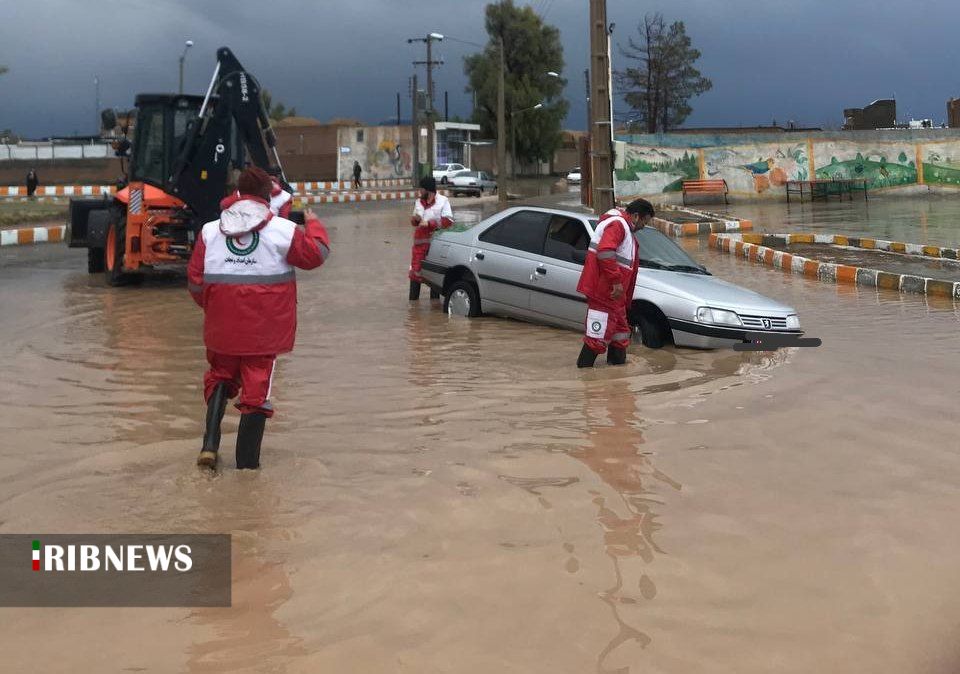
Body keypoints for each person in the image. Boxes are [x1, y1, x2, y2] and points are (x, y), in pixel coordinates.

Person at [188, 167, 331, 470]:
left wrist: (217, 311)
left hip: (221, 329)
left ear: (237, 193)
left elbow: (195, 283)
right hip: (262, 335)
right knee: (255, 393)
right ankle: (246, 471)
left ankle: (209, 446)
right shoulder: (282, 230)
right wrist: (314, 222)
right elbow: (316, 254)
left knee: (220, 378)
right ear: (269, 195)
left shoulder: (209, 232)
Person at [575, 198, 655, 368]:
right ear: (635, 216)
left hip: (614, 297)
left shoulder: (624, 229)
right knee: (596, 338)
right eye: (644, 221)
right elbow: (605, 252)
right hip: (605, 293)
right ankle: (585, 377)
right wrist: (616, 283)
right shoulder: (618, 225)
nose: (644, 226)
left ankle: (617, 380)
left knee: (620, 336)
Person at [408, 175, 453, 300]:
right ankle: (414, 307)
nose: (419, 192)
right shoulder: (418, 202)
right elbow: (414, 222)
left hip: (435, 245)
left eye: (421, 189)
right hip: (419, 246)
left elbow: (448, 222)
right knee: (415, 274)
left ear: (429, 191)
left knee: (434, 276)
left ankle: (434, 305)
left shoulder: (443, 201)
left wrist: (430, 224)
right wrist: (415, 220)